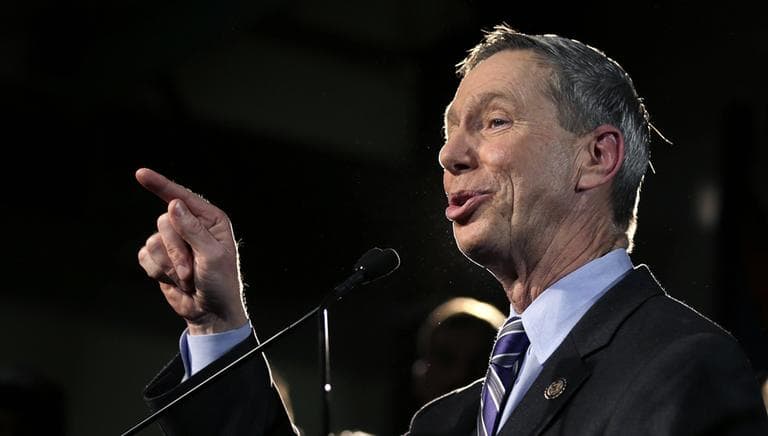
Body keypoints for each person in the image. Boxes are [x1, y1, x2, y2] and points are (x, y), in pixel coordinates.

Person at [135, 25, 768, 435]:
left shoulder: (682, 369)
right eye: (448, 132)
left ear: (596, 158)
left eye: (493, 122)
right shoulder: (445, 423)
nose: (449, 156)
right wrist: (216, 325)